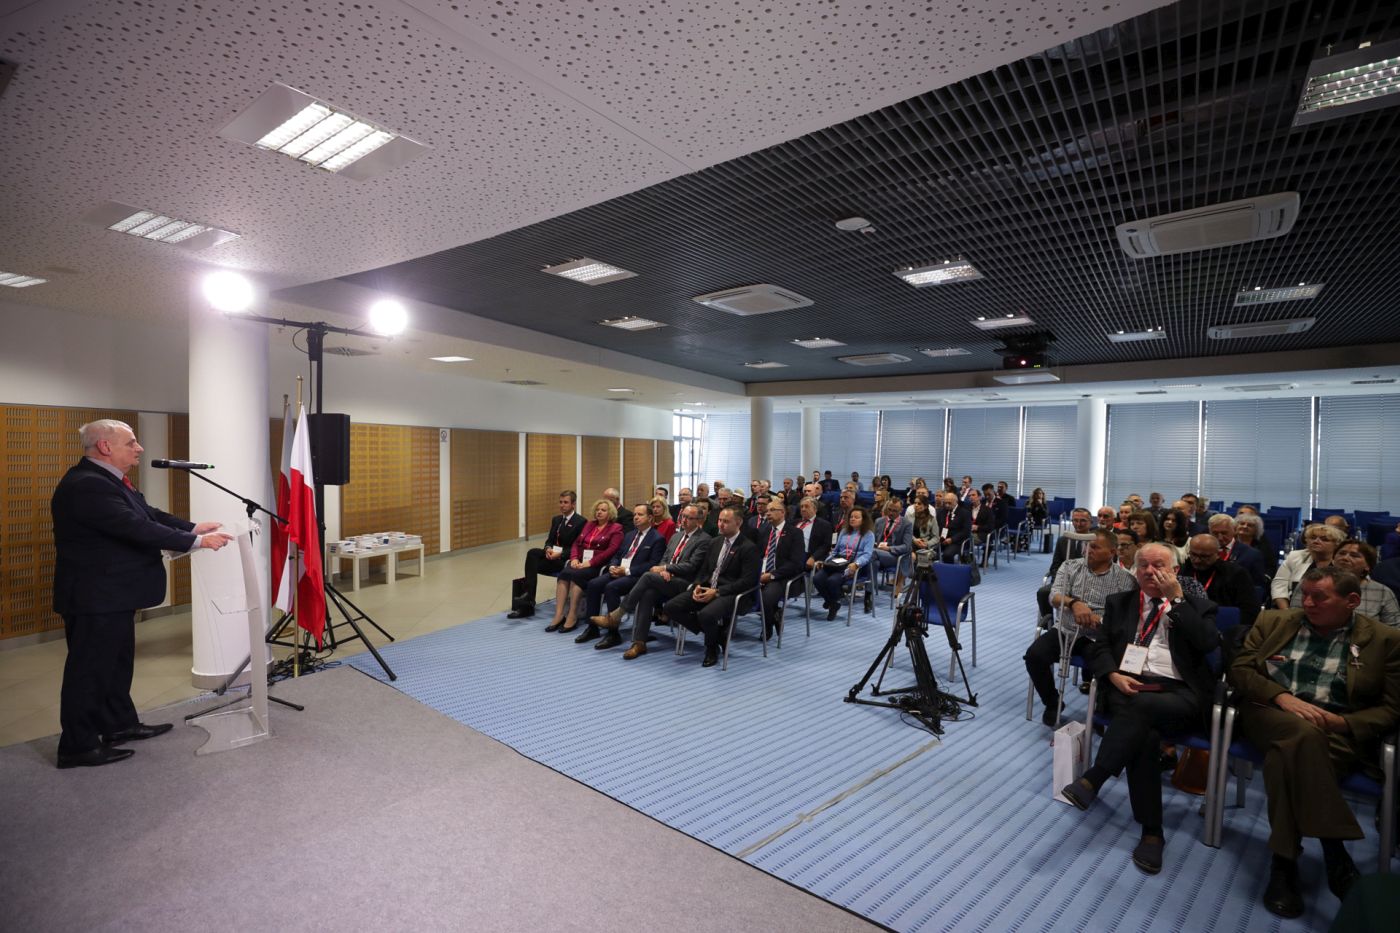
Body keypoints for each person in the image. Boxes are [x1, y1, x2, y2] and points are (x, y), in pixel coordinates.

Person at [51, 419, 233, 769]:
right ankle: (77, 746)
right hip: (95, 597)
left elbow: (148, 514)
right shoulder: (86, 485)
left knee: (116, 665)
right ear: (105, 446)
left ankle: (119, 725)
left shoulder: (110, 480)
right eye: (131, 442)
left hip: (114, 595)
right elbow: (135, 527)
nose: (140, 448)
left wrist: (191, 527)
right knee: (89, 671)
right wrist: (196, 541)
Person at [1229, 567, 1400, 918]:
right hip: (1268, 714)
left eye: (1319, 597)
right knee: (1300, 735)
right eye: (1304, 594)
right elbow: (1241, 670)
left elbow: (1392, 708)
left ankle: (1284, 862)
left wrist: (1344, 723)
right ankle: (1334, 851)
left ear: (1352, 601)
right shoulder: (1274, 621)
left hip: (1334, 730)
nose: (1307, 603)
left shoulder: (1385, 640)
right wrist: (1281, 697)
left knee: (1284, 759)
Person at [1060, 544, 1220, 875]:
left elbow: (1207, 643)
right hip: (1127, 686)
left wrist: (1176, 601)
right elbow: (1100, 647)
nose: (1149, 571)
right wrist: (1113, 675)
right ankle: (1152, 832)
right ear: (1134, 571)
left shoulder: (1197, 605)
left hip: (1179, 693)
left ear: (1175, 571)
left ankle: (1095, 777)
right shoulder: (1120, 603)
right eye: (1143, 565)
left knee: (1139, 713)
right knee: (1144, 737)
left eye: (1158, 565)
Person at [1024, 529, 1136, 725]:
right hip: (1065, 630)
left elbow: (1123, 616)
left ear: (1112, 552)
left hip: (1096, 637)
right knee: (1034, 656)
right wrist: (1074, 603)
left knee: (1107, 670)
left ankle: (1101, 712)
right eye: (1087, 545)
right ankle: (1053, 703)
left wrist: (1099, 620)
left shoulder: (1125, 579)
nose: (1088, 550)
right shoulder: (1070, 566)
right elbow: (1054, 596)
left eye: (1095, 547)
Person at [594, 505, 711, 660]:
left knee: (648, 576)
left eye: (689, 518)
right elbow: (665, 558)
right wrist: (664, 570)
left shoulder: (704, 539)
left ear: (699, 520)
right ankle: (639, 643)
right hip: (666, 579)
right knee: (647, 594)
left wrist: (665, 568)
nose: (684, 520)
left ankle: (618, 614)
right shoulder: (677, 536)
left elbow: (692, 566)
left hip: (685, 583)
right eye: (683, 516)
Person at [663, 506, 761, 668]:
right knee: (671, 607)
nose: (720, 524)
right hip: (708, 588)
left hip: (732, 593)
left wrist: (717, 592)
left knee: (706, 615)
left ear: (738, 523)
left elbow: (747, 582)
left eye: (726, 521)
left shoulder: (748, 548)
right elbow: (704, 570)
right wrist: (697, 585)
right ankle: (717, 635)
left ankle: (711, 648)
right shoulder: (715, 542)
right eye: (720, 520)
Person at [573, 505, 666, 649]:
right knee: (593, 584)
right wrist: (612, 566)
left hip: (637, 576)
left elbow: (652, 564)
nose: (636, 517)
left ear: (650, 518)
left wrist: (627, 571)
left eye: (640, 515)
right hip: (619, 570)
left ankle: (613, 633)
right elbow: (617, 554)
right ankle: (592, 628)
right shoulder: (630, 535)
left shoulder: (657, 538)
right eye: (634, 514)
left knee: (612, 587)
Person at [546, 499, 622, 634]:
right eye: (597, 509)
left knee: (576, 576)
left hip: (598, 565)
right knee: (564, 574)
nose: (599, 512)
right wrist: (574, 558)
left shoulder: (616, 528)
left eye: (603, 510)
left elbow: (611, 551)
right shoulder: (589, 524)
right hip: (580, 562)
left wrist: (590, 563)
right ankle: (559, 614)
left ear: (610, 513)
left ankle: (572, 615)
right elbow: (576, 543)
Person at [509, 490, 585, 618]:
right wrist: (548, 549)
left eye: (565, 502)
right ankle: (528, 598)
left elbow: (577, 547)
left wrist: (559, 554)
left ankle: (528, 602)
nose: (562, 505)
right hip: (552, 556)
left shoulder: (581, 522)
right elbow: (549, 540)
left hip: (565, 560)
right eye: (560, 502)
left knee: (531, 566)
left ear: (573, 504)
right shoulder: (556, 520)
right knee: (532, 553)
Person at [1180, 534, 1260, 655]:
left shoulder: (1236, 574)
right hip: (1188, 631)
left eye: (1204, 557)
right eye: (1193, 555)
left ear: (1217, 554)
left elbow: (1250, 611)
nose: (1197, 560)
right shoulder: (1183, 571)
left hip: (1225, 635)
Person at [754, 499, 806, 636]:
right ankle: (775, 613)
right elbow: (757, 555)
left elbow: (795, 563)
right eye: (767, 511)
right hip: (760, 573)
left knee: (766, 598)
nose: (768, 513)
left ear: (782, 512)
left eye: (772, 510)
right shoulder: (763, 530)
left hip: (782, 576)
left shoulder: (795, 533)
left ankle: (767, 628)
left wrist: (772, 575)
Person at [813, 505, 875, 620]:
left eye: (856, 517)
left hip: (852, 564)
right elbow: (835, 550)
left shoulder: (869, 535)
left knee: (832, 581)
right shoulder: (844, 531)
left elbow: (867, 555)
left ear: (863, 520)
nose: (852, 519)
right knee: (817, 579)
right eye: (851, 517)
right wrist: (826, 561)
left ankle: (832, 605)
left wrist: (857, 564)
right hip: (836, 562)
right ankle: (832, 602)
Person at [1272, 523, 1344, 609]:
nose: (1316, 541)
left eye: (1324, 539)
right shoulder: (1295, 557)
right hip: (1294, 608)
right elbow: (1279, 586)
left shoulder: (1342, 562)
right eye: (1313, 538)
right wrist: (1286, 611)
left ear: (1336, 544)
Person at [1332, 539, 1400, 627]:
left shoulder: (1382, 592)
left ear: (1367, 566)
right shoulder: (1317, 584)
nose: (1345, 558)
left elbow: (1395, 629)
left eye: (1354, 555)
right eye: (1341, 553)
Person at [1208, 513, 1268, 589]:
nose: (1220, 538)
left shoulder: (1252, 555)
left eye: (1224, 533)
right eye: (1215, 533)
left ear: (1234, 530)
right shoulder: (1202, 550)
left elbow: (1258, 587)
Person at [1233, 511, 1278, 577]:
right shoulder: (1229, 542)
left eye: (1250, 525)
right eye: (1242, 524)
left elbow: (1270, 567)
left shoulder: (1262, 547)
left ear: (1256, 530)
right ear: (1236, 526)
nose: (1245, 526)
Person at [935, 491, 971, 563]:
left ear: (956, 502)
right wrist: (937, 536)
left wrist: (952, 539)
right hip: (942, 539)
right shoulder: (940, 512)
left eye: (949, 503)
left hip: (957, 541)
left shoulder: (965, 513)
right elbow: (937, 526)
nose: (947, 505)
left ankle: (949, 569)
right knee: (929, 551)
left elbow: (965, 531)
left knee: (947, 555)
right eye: (945, 503)